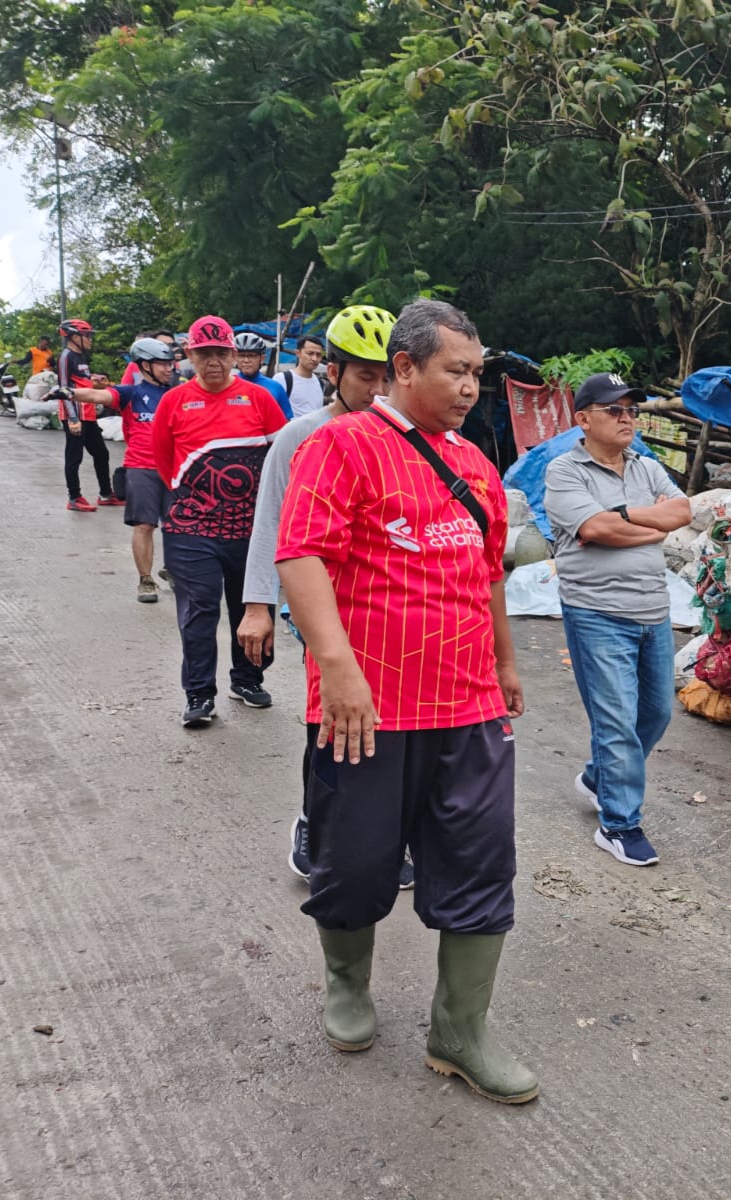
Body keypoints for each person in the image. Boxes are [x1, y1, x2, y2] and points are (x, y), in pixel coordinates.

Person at [276, 298, 535, 1104]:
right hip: (367, 710)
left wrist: (504, 661)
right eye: (455, 371)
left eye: (475, 373)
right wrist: (338, 668)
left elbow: (488, 572)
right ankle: (348, 985)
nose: (469, 387)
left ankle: (459, 1031)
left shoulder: (479, 466)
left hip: (468, 705)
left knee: (480, 861)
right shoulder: (341, 447)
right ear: (405, 368)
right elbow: (302, 556)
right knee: (353, 865)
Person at [237, 305, 398, 882]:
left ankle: (381, 827)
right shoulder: (301, 436)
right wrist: (257, 605)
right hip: (319, 603)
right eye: (364, 376)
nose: (377, 390)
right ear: (333, 372)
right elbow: (270, 520)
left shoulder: (406, 438)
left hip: (388, 602)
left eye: (387, 377)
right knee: (329, 717)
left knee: (392, 721)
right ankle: (317, 818)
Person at [544, 373, 691, 867]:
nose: (627, 416)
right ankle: (619, 823)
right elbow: (595, 527)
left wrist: (625, 520)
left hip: (653, 610)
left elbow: (683, 511)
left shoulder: (647, 469)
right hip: (597, 614)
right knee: (617, 722)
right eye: (615, 409)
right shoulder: (565, 471)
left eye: (631, 408)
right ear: (582, 419)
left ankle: (597, 777)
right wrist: (642, 524)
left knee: (656, 714)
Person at [151, 315, 287, 727]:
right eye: (204, 353)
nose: (213, 362)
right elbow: (163, 461)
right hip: (191, 528)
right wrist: (196, 500)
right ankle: (198, 693)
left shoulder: (260, 399)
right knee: (199, 610)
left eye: (221, 353)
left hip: (250, 529)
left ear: (233, 355)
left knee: (250, 605)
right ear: (189, 355)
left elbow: (280, 454)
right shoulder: (172, 402)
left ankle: (247, 679)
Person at [70, 337, 178, 602]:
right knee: (144, 526)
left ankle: (174, 570)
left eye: (170, 363)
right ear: (144, 365)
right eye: (162, 364)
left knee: (178, 526)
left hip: (175, 469)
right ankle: (146, 580)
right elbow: (98, 395)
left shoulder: (177, 394)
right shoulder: (131, 392)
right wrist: (69, 393)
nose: (169, 369)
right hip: (141, 467)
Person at [56, 318, 123, 514]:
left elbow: (81, 379)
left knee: (101, 453)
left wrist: (94, 378)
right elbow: (64, 388)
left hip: (89, 413)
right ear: (74, 336)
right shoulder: (66, 357)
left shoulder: (81, 357)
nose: (89, 340)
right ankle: (74, 497)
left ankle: (105, 494)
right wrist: (73, 419)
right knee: (74, 457)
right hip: (75, 414)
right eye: (86, 336)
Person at [233, 331, 293, 419]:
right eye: (241, 356)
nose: (246, 360)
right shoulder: (227, 385)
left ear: (262, 358)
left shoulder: (276, 387)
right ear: (235, 358)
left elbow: (286, 422)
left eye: (251, 356)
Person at [277, 334, 327, 418]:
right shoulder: (283, 379)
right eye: (310, 353)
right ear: (298, 353)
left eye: (318, 355)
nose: (314, 358)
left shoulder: (320, 383)